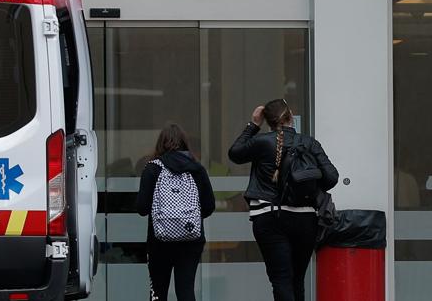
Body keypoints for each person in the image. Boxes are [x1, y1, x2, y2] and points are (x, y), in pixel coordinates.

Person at [228, 99, 338, 301]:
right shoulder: (309, 143)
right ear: (290, 117)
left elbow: (235, 153)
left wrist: (253, 125)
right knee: (297, 280)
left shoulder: (262, 142)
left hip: (269, 218)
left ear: (268, 122)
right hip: (305, 219)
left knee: (281, 279)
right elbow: (332, 178)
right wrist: (308, 183)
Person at [136, 123, 215, 301]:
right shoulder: (197, 169)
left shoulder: (152, 168)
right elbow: (209, 206)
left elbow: (141, 208)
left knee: (157, 292)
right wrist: (186, 218)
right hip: (191, 239)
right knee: (186, 290)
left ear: (160, 144)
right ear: (185, 144)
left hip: (159, 240)